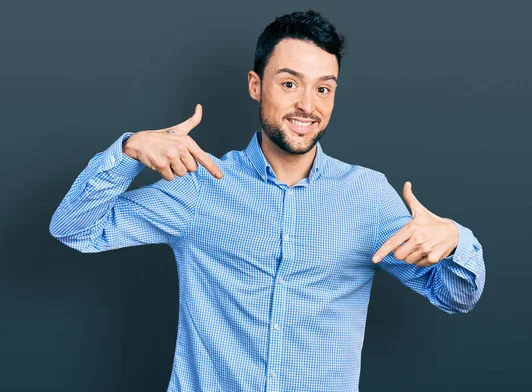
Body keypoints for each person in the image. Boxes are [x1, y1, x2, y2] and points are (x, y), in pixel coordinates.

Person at [49, 9, 485, 392]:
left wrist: (454, 239)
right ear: (256, 85)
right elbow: (74, 229)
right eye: (290, 83)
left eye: (323, 89)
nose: (307, 106)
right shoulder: (201, 186)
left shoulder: (367, 196)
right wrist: (127, 151)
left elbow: (456, 296)